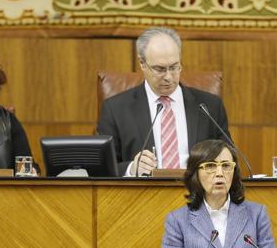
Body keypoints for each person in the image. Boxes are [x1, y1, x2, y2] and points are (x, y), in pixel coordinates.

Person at [97, 27, 232, 176]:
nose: (168, 77)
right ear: (142, 63)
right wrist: (131, 169)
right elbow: (101, 168)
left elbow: (230, 159)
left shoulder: (209, 107)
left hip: (197, 194)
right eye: (160, 69)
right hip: (141, 196)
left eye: (174, 67)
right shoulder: (116, 109)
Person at [161, 139, 277, 248]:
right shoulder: (178, 221)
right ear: (196, 173)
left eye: (226, 166)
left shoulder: (256, 215)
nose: (220, 173)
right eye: (211, 166)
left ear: (234, 171)